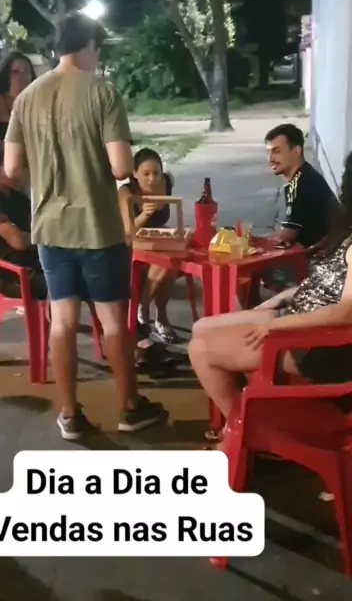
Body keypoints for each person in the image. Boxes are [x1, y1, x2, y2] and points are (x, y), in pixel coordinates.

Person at [3, 11, 167, 440]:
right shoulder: (102, 93)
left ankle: (69, 415)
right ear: (90, 45)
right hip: (97, 227)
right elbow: (121, 167)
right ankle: (130, 407)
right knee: (113, 321)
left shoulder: (27, 98)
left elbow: (12, 169)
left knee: (61, 321)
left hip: (50, 229)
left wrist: (47, 178)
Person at [188, 151, 352, 448]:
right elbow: (328, 284)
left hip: (316, 341)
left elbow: (345, 313)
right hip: (299, 315)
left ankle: (242, 432)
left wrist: (275, 326)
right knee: (201, 327)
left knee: (199, 350)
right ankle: (241, 423)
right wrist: (282, 299)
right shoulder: (346, 230)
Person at [118, 147, 178, 342]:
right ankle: (145, 309)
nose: (152, 179)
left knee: (171, 262)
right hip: (131, 245)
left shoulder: (166, 182)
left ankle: (156, 314)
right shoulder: (126, 192)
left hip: (158, 240)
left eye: (156, 173)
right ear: (135, 173)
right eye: (146, 174)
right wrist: (145, 214)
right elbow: (127, 231)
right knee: (165, 263)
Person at [0, 145, 46, 300]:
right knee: (68, 286)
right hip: (16, 276)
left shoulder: (18, 198)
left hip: (36, 263)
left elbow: (41, 226)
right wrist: (41, 236)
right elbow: (18, 241)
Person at [265, 123, 337, 249]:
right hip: (321, 248)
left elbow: (286, 236)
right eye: (268, 152)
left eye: (277, 151)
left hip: (325, 254)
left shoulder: (303, 183)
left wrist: (250, 240)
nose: (270, 159)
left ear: (296, 151)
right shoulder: (303, 174)